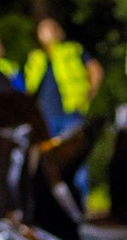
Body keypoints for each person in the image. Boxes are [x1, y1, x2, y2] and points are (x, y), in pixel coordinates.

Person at [23, 17, 102, 200]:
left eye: (52, 27)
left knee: (76, 160)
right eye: (43, 28)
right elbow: (28, 86)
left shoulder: (73, 49)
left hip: (70, 114)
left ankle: (81, 202)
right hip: (44, 118)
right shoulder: (36, 57)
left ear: (60, 32)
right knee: (47, 162)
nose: (48, 31)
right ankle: (52, 203)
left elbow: (96, 69)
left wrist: (88, 95)